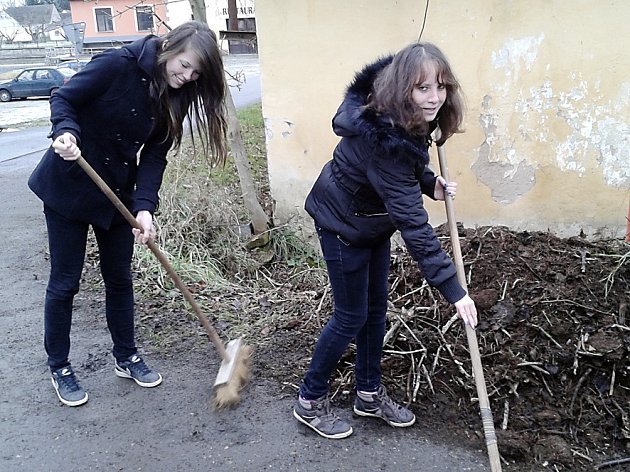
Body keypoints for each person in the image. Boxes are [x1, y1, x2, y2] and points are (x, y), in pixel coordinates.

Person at [28, 21, 228, 407]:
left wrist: (145, 207)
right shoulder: (116, 64)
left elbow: (155, 154)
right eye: (184, 65)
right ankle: (60, 366)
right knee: (65, 281)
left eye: (196, 73)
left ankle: (126, 356)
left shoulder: (177, 95)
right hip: (70, 182)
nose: (186, 77)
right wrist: (65, 132)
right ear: (170, 47)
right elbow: (63, 98)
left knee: (119, 278)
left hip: (116, 193)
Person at [293, 42, 478, 439]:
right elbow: (413, 224)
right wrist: (454, 289)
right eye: (423, 88)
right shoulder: (385, 138)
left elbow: (410, 167)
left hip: (373, 222)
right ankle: (309, 400)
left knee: (376, 311)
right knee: (350, 316)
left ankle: (368, 393)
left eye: (441, 87)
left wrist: (431, 183)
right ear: (402, 89)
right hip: (342, 224)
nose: (434, 98)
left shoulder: (403, 117)